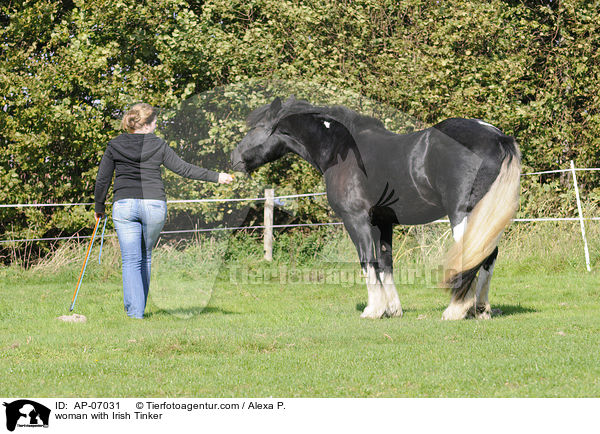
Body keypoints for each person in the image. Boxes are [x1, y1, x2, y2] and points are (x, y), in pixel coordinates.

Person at [94, 103, 234, 319]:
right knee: (145, 257)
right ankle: (138, 310)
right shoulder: (158, 144)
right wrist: (216, 176)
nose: (157, 125)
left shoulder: (115, 144)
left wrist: (99, 207)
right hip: (154, 206)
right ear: (148, 125)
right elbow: (183, 168)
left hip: (124, 205)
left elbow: (103, 178)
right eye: (155, 122)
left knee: (131, 260)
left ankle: (135, 314)